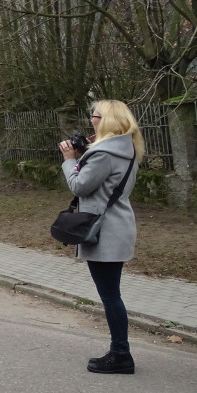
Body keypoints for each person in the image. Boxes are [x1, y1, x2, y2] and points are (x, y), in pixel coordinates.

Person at [60, 100, 143, 374]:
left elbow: (80, 185)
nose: (91, 120)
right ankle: (120, 351)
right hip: (118, 226)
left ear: (104, 120)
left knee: (110, 296)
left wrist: (70, 160)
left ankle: (121, 354)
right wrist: (87, 151)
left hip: (104, 232)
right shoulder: (126, 149)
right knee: (112, 294)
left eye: (94, 116)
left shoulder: (103, 154)